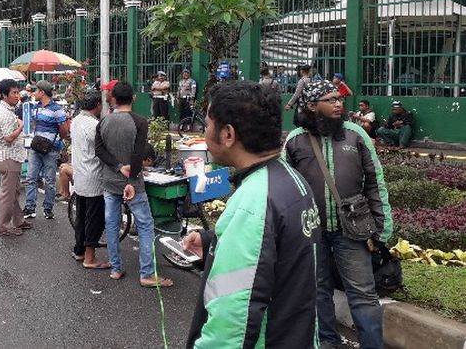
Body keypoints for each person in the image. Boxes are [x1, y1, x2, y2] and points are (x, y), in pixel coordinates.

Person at [183, 81, 320, 348]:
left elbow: (234, 320)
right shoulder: (293, 181)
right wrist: (214, 243)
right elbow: (277, 253)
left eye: (208, 125)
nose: (205, 133)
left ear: (228, 134)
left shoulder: (254, 202)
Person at [284, 80, 393, 349]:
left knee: (363, 295)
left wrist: (383, 226)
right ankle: (327, 342)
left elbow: (374, 182)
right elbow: (285, 188)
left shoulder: (356, 135)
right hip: (311, 231)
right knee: (317, 290)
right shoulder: (295, 139)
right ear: (311, 106)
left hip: (353, 231)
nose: (338, 104)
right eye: (331, 100)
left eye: (339, 99)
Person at [95, 81, 173, 288]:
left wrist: (118, 166)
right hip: (134, 183)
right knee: (146, 225)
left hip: (110, 181)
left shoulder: (103, 122)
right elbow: (138, 153)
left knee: (111, 224)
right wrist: (130, 178)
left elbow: (99, 151)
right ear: (134, 98)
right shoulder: (139, 121)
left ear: (112, 98)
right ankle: (146, 273)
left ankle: (115, 268)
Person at [70, 90, 109, 269]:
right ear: (97, 105)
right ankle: (90, 258)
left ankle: (79, 250)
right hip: (93, 177)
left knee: (81, 216)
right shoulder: (93, 126)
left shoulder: (76, 120)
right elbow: (103, 149)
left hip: (79, 175)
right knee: (94, 218)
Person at [24, 80, 69, 220]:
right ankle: (30, 207)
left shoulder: (57, 109)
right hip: (36, 147)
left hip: (51, 149)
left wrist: (56, 142)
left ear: (42, 92)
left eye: (36, 91)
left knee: (49, 180)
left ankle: (48, 208)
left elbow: (64, 129)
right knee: (31, 178)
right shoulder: (36, 107)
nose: (34, 93)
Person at [0, 78, 31, 236]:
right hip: (8, 157)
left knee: (14, 192)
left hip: (10, 156)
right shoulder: (5, 114)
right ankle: (3, 225)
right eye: (14, 93)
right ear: (4, 95)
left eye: (17, 92)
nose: (17, 96)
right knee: (8, 194)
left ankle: (18, 220)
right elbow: (8, 137)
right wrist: (21, 126)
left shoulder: (7, 110)